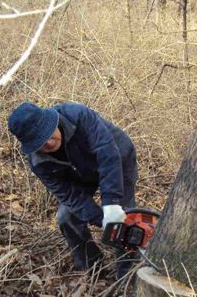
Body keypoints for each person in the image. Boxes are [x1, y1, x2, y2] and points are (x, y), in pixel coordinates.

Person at [8, 102, 138, 278]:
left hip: (117, 158)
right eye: (39, 142)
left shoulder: (77, 116)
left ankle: (126, 272)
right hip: (79, 175)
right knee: (66, 217)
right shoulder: (39, 163)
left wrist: (112, 205)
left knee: (124, 214)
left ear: (53, 122)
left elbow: (107, 152)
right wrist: (103, 220)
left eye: (48, 134)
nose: (48, 143)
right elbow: (70, 195)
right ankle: (92, 269)